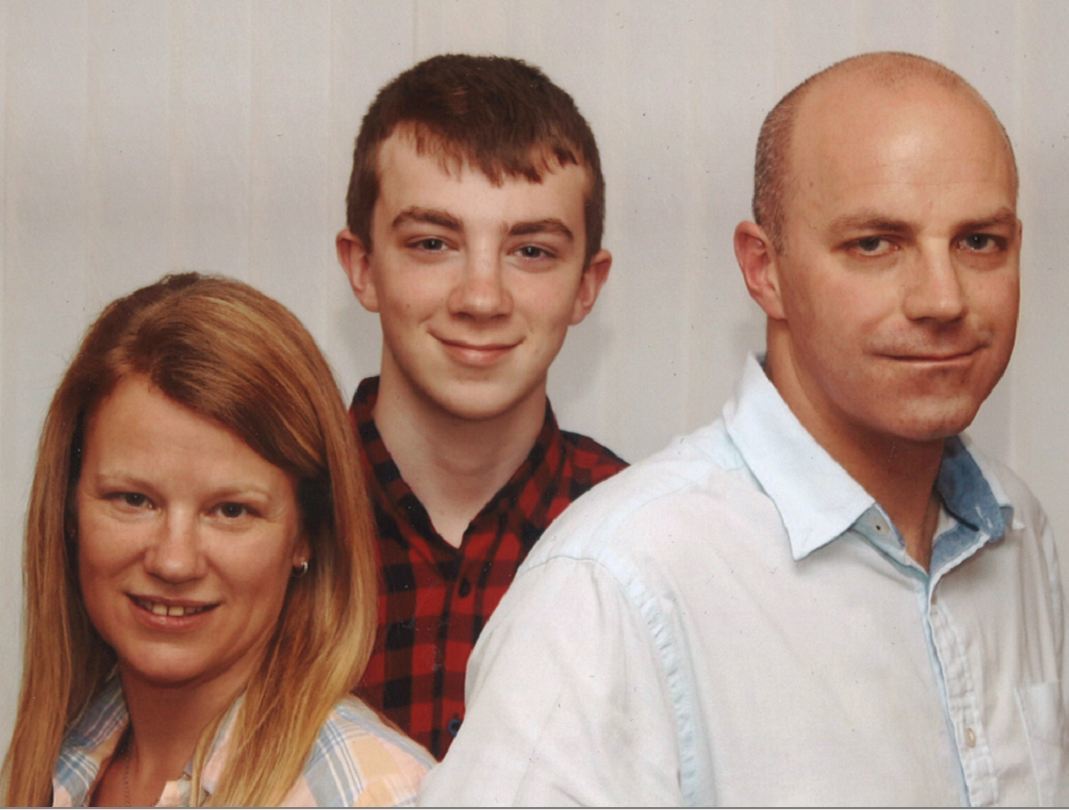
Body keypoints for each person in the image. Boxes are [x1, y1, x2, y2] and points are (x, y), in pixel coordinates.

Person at [421, 52, 1068, 806]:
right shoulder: (615, 585)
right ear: (763, 270)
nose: (940, 298)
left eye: (978, 242)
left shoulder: (1015, 531)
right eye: (874, 245)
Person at [2, 273, 432, 806]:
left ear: (308, 535)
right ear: (68, 508)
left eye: (231, 510)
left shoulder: (369, 792)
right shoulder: (57, 764)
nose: (174, 561)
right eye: (133, 500)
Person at [335, 53, 626, 759]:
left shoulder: (638, 536)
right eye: (432, 244)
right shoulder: (270, 511)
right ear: (363, 266)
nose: (481, 298)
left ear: (587, 286)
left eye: (530, 251)